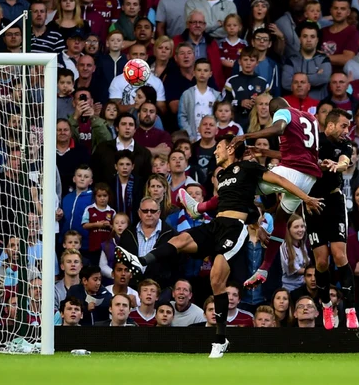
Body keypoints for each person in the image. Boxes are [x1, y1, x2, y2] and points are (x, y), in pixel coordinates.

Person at [116, 134, 322, 358]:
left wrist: (305, 198)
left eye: (219, 148)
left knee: (216, 279)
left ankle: (220, 339)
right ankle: (141, 261)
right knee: (179, 239)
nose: (215, 152)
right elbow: (235, 202)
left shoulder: (248, 167)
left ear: (231, 148)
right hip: (216, 224)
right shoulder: (222, 176)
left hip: (234, 228)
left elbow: (280, 182)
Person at [238, 97, 322, 290]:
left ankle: (200, 207)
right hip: (309, 178)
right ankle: (264, 268)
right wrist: (263, 152)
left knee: (240, 185)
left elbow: (279, 128)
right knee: (281, 219)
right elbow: (298, 153)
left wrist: (246, 136)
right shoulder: (310, 118)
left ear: (274, 110)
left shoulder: (283, 113)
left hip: (292, 172)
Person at [303, 109, 358, 329]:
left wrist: (338, 165)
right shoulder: (312, 140)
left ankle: (350, 310)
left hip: (334, 201)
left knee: (339, 254)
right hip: (312, 202)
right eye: (344, 126)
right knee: (322, 261)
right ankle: (326, 305)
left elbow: (345, 160)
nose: (347, 130)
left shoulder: (344, 144)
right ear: (331, 125)